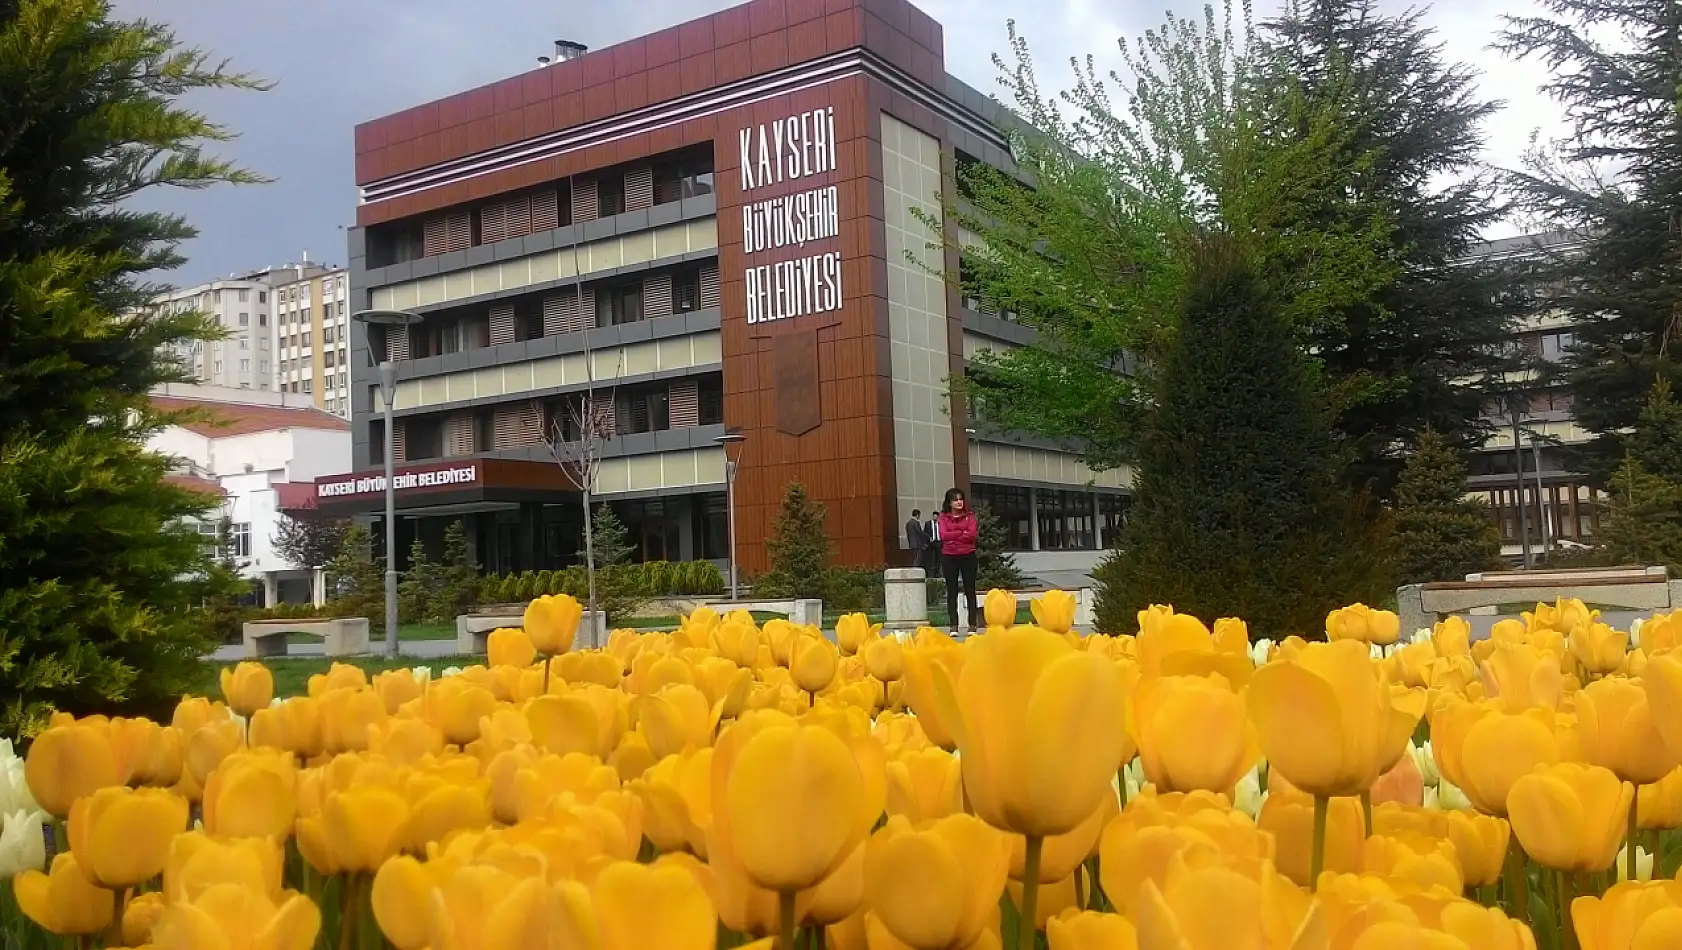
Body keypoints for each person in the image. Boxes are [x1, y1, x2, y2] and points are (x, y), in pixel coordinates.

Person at [936, 487, 980, 634]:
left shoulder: (970, 517)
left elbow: (972, 535)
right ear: (949, 503)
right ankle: (953, 625)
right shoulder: (943, 518)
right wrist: (961, 532)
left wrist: (954, 536)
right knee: (952, 590)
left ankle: (972, 625)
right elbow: (944, 536)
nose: (959, 502)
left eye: (961, 499)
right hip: (949, 556)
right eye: (955, 500)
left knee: (970, 589)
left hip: (968, 555)